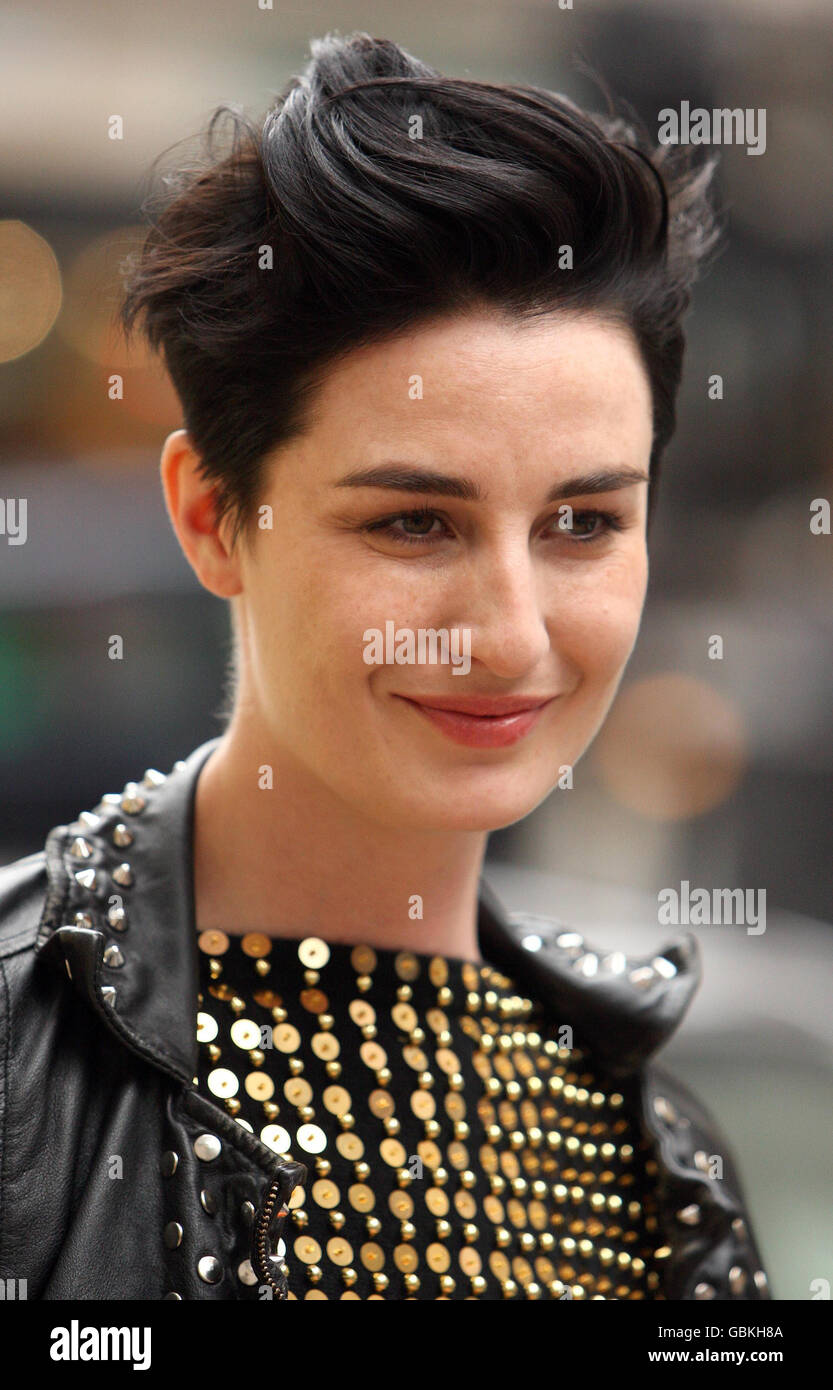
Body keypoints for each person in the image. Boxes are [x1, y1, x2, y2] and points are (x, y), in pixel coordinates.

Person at [0, 30, 771, 1302]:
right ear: (210, 516)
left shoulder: (652, 1159)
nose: (511, 636)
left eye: (583, 523)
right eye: (413, 522)